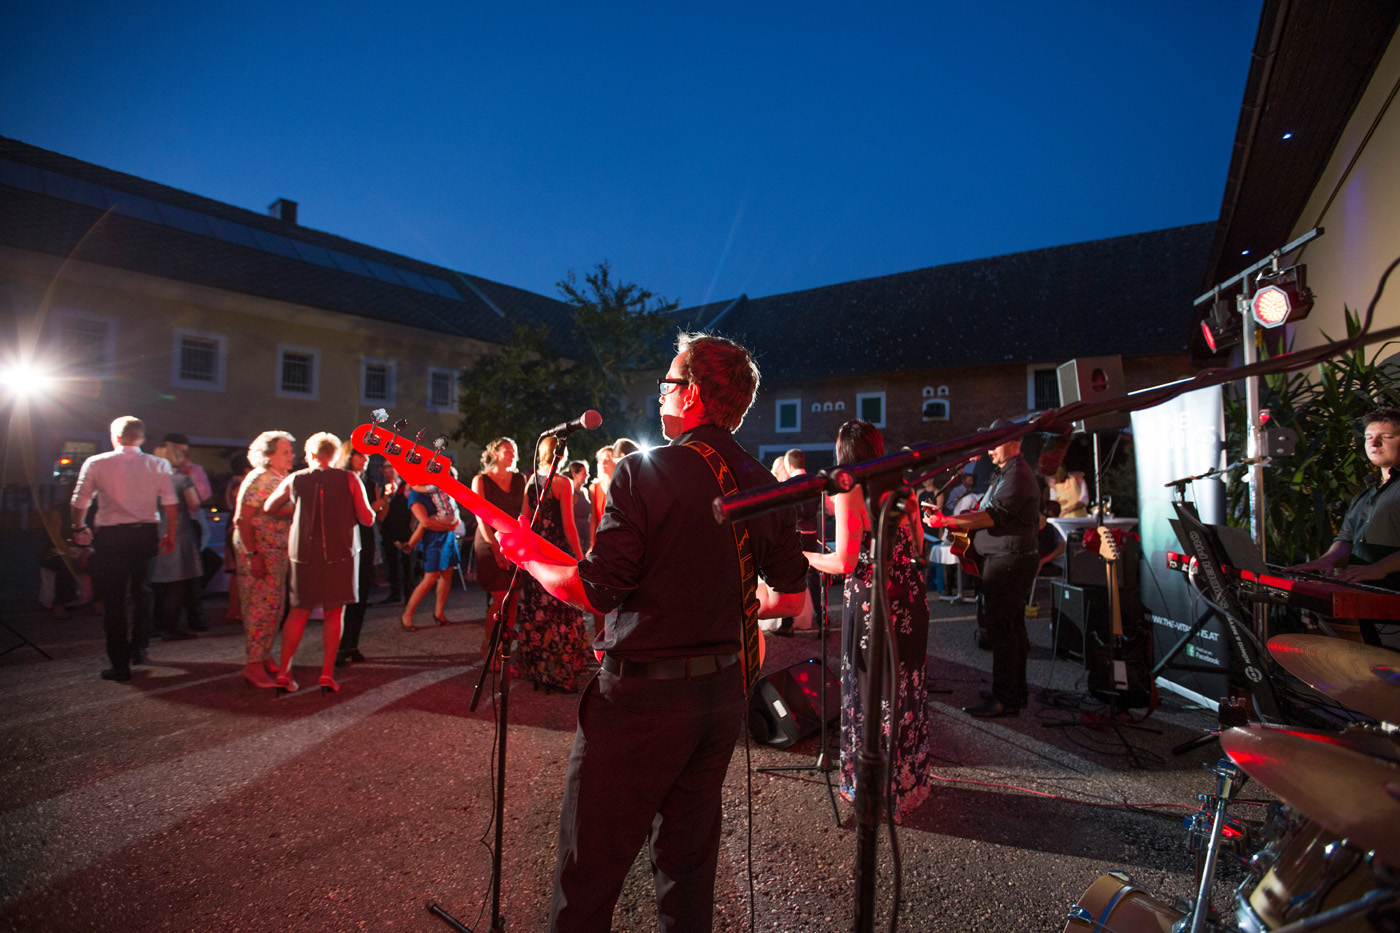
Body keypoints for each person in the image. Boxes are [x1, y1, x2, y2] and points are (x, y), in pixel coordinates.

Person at [496, 332, 807, 933]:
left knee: (588, 874)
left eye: (666, 382)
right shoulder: (762, 479)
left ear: (690, 393)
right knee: (686, 870)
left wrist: (526, 558)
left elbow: (594, 589)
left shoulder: (645, 471)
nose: (659, 392)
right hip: (719, 698)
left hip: (640, 700)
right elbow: (791, 600)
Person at [803, 420, 932, 821]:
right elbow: (919, 544)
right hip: (909, 597)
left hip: (871, 601)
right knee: (904, 690)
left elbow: (843, 561)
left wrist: (804, 556)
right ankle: (906, 784)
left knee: (868, 690)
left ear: (844, 453)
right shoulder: (904, 488)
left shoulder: (848, 489)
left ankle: (872, 789)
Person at [925, 420, 1040, 716]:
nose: (989, 451)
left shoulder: (1017, 476)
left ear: (1015, 443)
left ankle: (1005, 699)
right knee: (1011, 628)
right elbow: (983, 512)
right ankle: (1013, 691)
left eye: (994, 444)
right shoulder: (1007, 474)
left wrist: (945, 522)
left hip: (1008, 562)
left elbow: (990, 517)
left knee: (1002, 630)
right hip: (1004, 560)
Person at [69, 416, 178, 682]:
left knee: (114, 599)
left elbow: (80, 498)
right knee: (142, 591)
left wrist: (78, 527)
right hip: (145, 533)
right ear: (141, 438)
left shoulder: (96, 462)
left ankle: (119, 664)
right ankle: (139, 648)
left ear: (115, 437)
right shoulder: (158, 463)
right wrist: (171, 533)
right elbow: (170, 501)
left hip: (112, 535)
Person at [265, 432, 375, 694]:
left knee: (298, 612)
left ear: (309, 455)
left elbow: (270, 506)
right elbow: (367, 518)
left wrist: (297, 510)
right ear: (335, 456)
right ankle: (326, 674)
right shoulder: (349, 478)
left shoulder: (295, 479)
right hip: (341, 554)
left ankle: (284, 672)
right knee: (334, 613)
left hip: (303, 554)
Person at [1291, 408, 1400, 645]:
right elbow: (1346, 539)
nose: (1375, 443)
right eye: (1369, 437)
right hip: (1367, 601)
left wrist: (1380, 568)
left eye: (1387, 436)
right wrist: (1327, 560)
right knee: (1381, 668)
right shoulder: (1366, 494)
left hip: (1393, 598)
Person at [514, 435, 588, 692]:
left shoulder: (532, 480)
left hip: (535, 552)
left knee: (536, 609)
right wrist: (579, 558)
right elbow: (568, 525)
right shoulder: (562, 482)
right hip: (556, 552)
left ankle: (536, 669)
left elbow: (523, 518)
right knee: (561, 609)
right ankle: (560, 673)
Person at [233, 430, 295, 689]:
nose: (292, 456)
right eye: (285, 452)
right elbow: (241, 519)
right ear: (268, 456)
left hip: (277, 554)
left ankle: (264, 653)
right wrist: (252, 555)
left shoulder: (282, 478)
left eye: (291, 451)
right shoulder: (259, 478)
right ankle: (253, 665)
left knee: (274, 607)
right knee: (260, 608)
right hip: (260, 552)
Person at [149, 442, 206, 639]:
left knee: (157, 581)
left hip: (155, 529)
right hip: (179, 531)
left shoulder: (150, 480)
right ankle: (170, 627)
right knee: (177, 581)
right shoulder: (182, 480)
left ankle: (154, 625)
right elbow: (195, 505)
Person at [472, 437, 525, 638]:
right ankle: (489, 645)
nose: (512, 455)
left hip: (513, 543)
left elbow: (524, 513)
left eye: (514, 451)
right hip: (488, 541)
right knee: (500, 597)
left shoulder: (520, 479)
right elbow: (480, 516)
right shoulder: (481, 480)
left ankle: (504, 646)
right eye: (508, 451)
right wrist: (495, 549)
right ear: (495, 453)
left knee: (513, 598)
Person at [400, 478, 462, 631]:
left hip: (447, 536)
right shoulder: (416, 494)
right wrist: (448, 527)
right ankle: (407, 614)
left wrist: (453, 523)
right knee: (430, 577)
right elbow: (425, 522)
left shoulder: (436, 484)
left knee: (447, 573)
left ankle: (438, 613)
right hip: (432, 539)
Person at [335, 440, 376, 665]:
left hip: (366, 539)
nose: (365, 460)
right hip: (348, 538)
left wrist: (381, 504)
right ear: (348, 456)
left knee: (362, 593)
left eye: (367, 456)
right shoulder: (342, 480)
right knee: (345, 595)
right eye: (360, 455)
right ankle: (340, 646)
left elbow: (373, 516)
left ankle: (353, 644)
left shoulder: (369, 483)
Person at [376, 464, 414, 603]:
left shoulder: (406, 487)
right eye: (385, 472)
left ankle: (409, 595)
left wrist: (412, 528)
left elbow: (413, 510)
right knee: (392, 563)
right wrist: (386, 498)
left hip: (405, 531)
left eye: (391, 471)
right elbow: (380, 515)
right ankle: (395, 593)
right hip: (389, 531)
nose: (388, 474)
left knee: (407, 564)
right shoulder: (382, 490)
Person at [161, 431, 212, 504]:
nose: (182, 455)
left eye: (184, 452)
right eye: (178, 451)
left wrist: (191, 481)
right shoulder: (157, 468)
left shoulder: (195, 469)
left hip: (190, 514)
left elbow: (205, 496)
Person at [567, 460, 592, 554]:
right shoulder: (571, 494)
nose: (587, 475)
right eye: (584, 473)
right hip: (578, 536)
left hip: (586, 535)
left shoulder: (584, 491)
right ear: (575, 475)